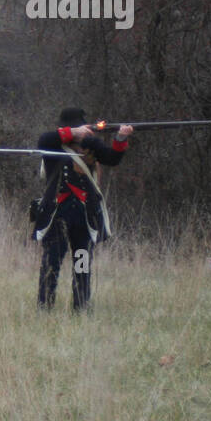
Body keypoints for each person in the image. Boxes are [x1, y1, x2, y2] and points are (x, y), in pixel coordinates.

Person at [33, 108, 133, 311]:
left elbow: (112, 158)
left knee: (82, 262)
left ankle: (81, 306)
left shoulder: (91, 145)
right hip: (56, 215)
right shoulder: (53, 144)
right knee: (52, 262)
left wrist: (121, 137)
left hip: (84, 215)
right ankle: (45, 307)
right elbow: (43, 139)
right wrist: (74, 133)